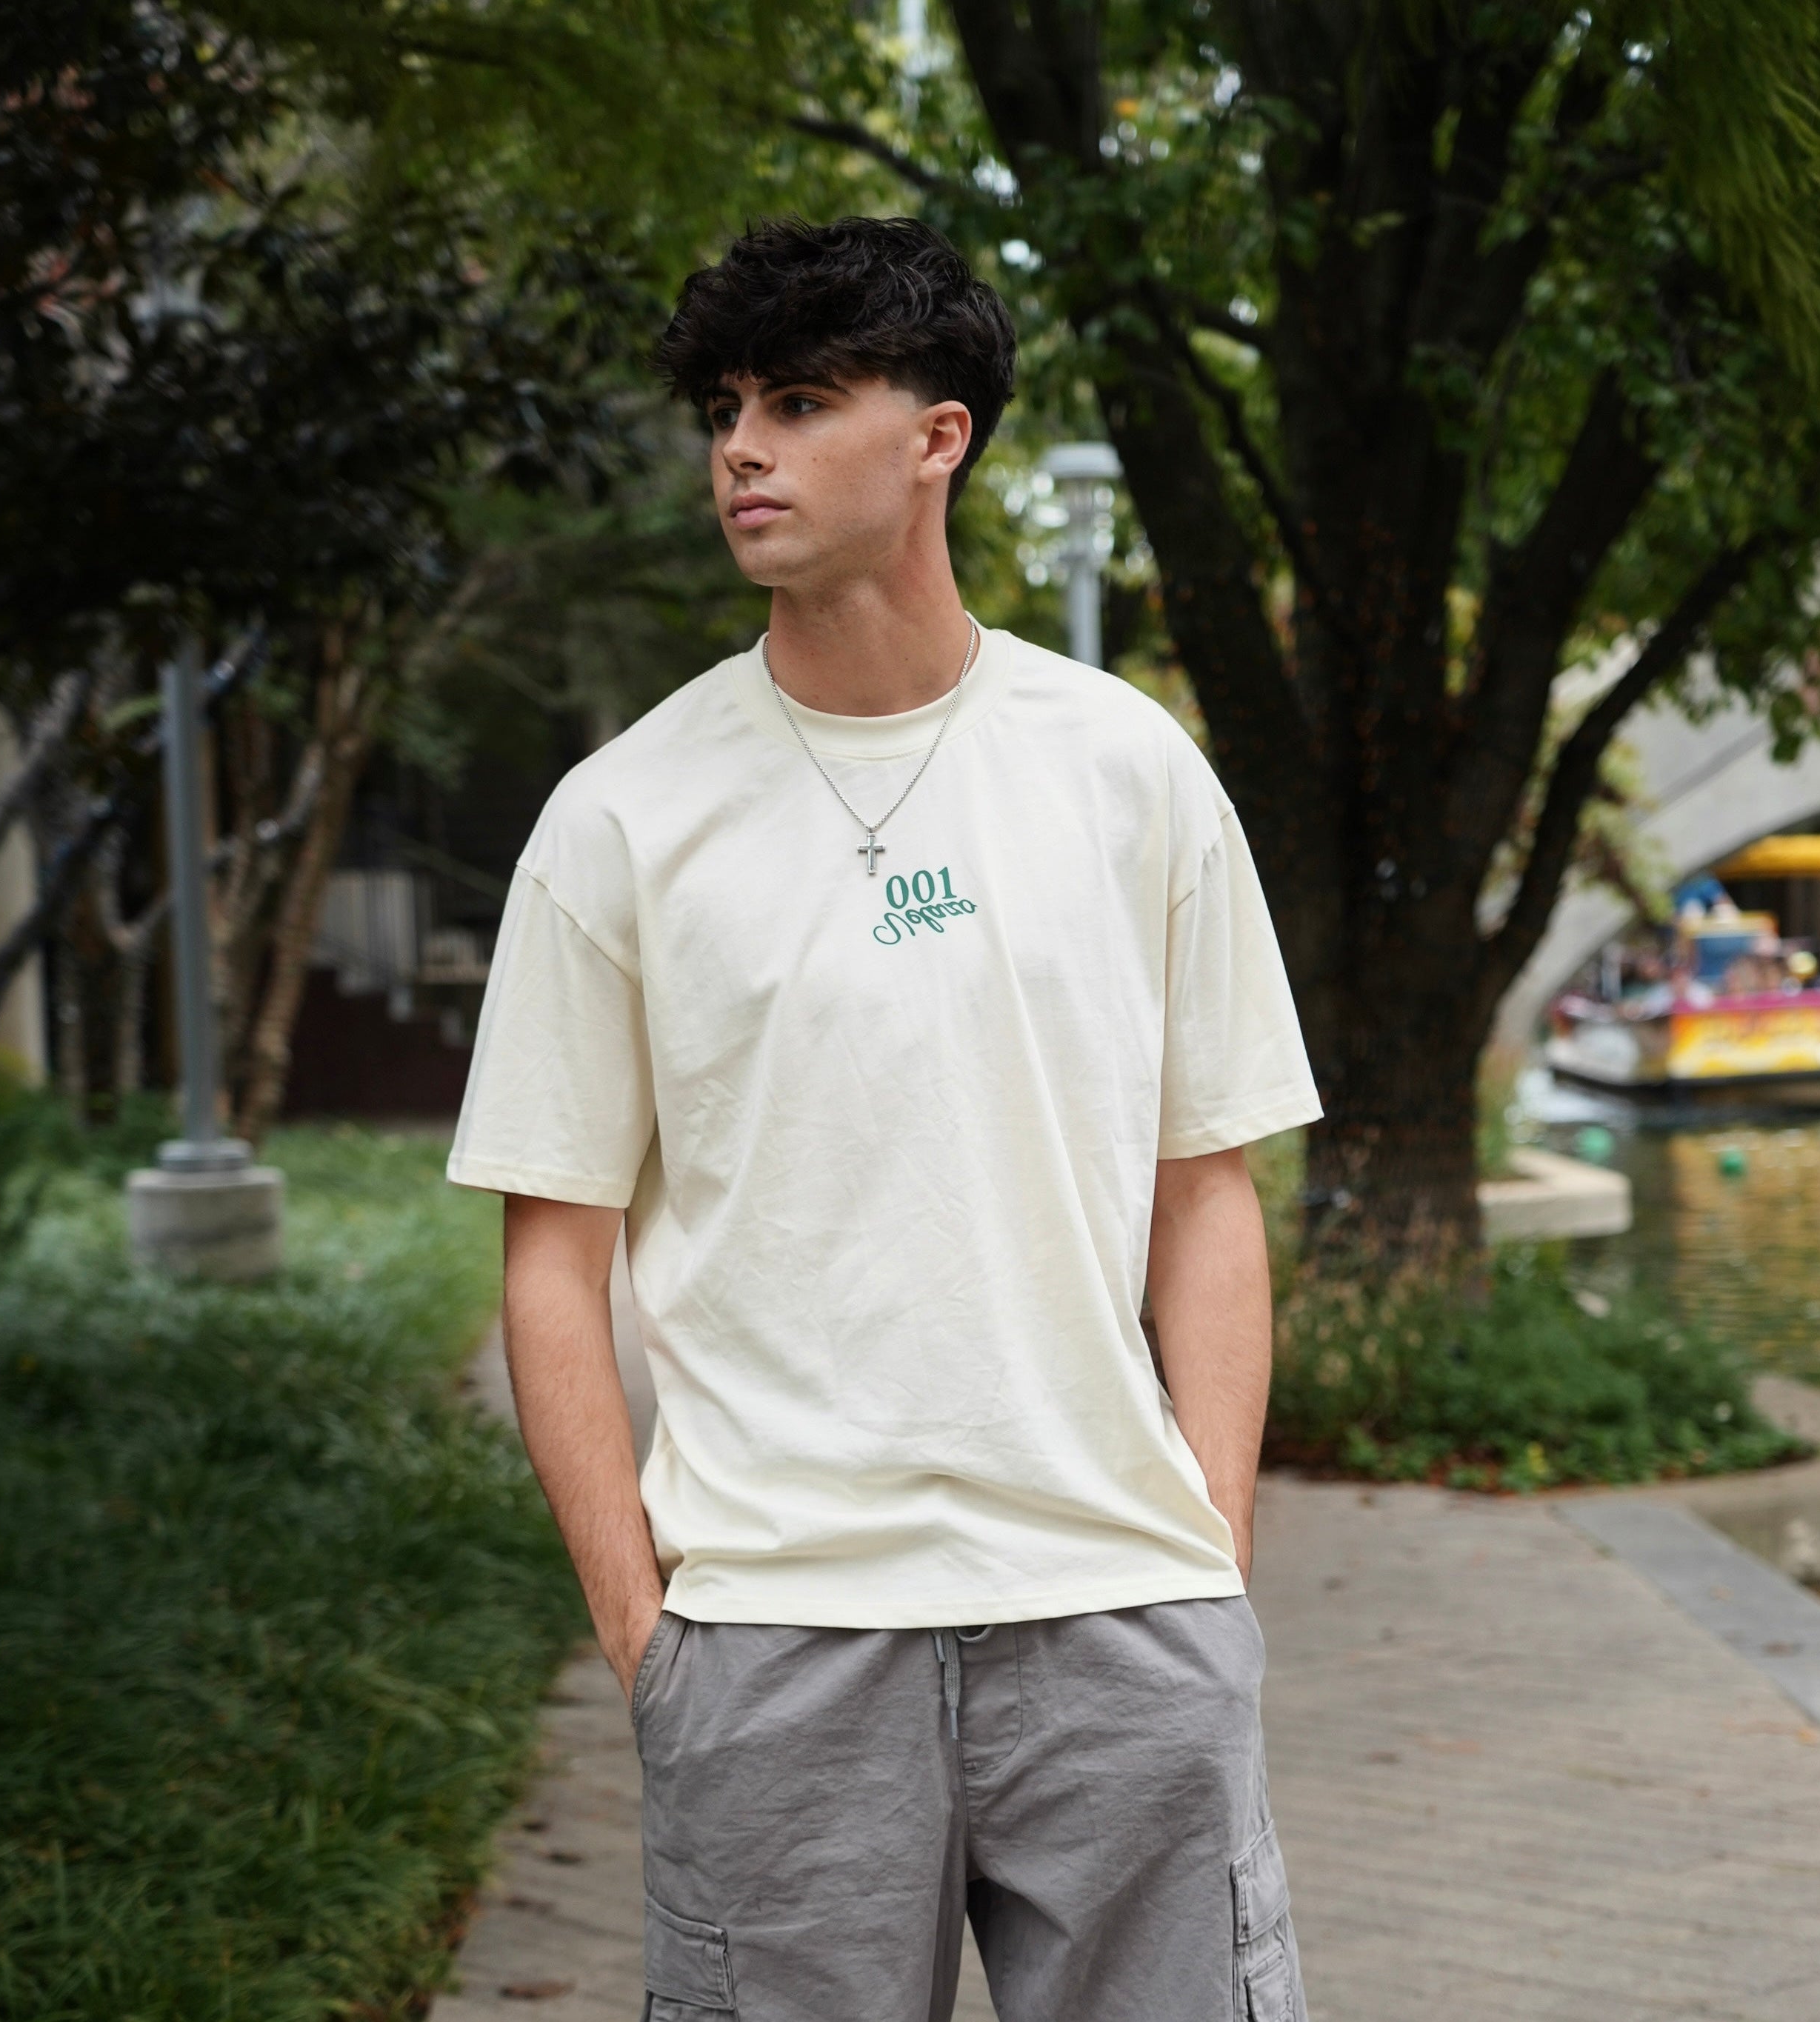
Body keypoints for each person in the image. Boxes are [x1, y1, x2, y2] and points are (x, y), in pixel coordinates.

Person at [447, 216, 1322, 2022]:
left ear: (940, 437)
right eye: (724, 408)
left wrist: (1209, 1568)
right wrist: (644, 1638)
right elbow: (553, 1258)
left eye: (799, 400)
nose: (741, 449)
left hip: (1118, 1619)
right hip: (772, 1639)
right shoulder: (621, 820)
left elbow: (1206, 1189)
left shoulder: (1127, 771)